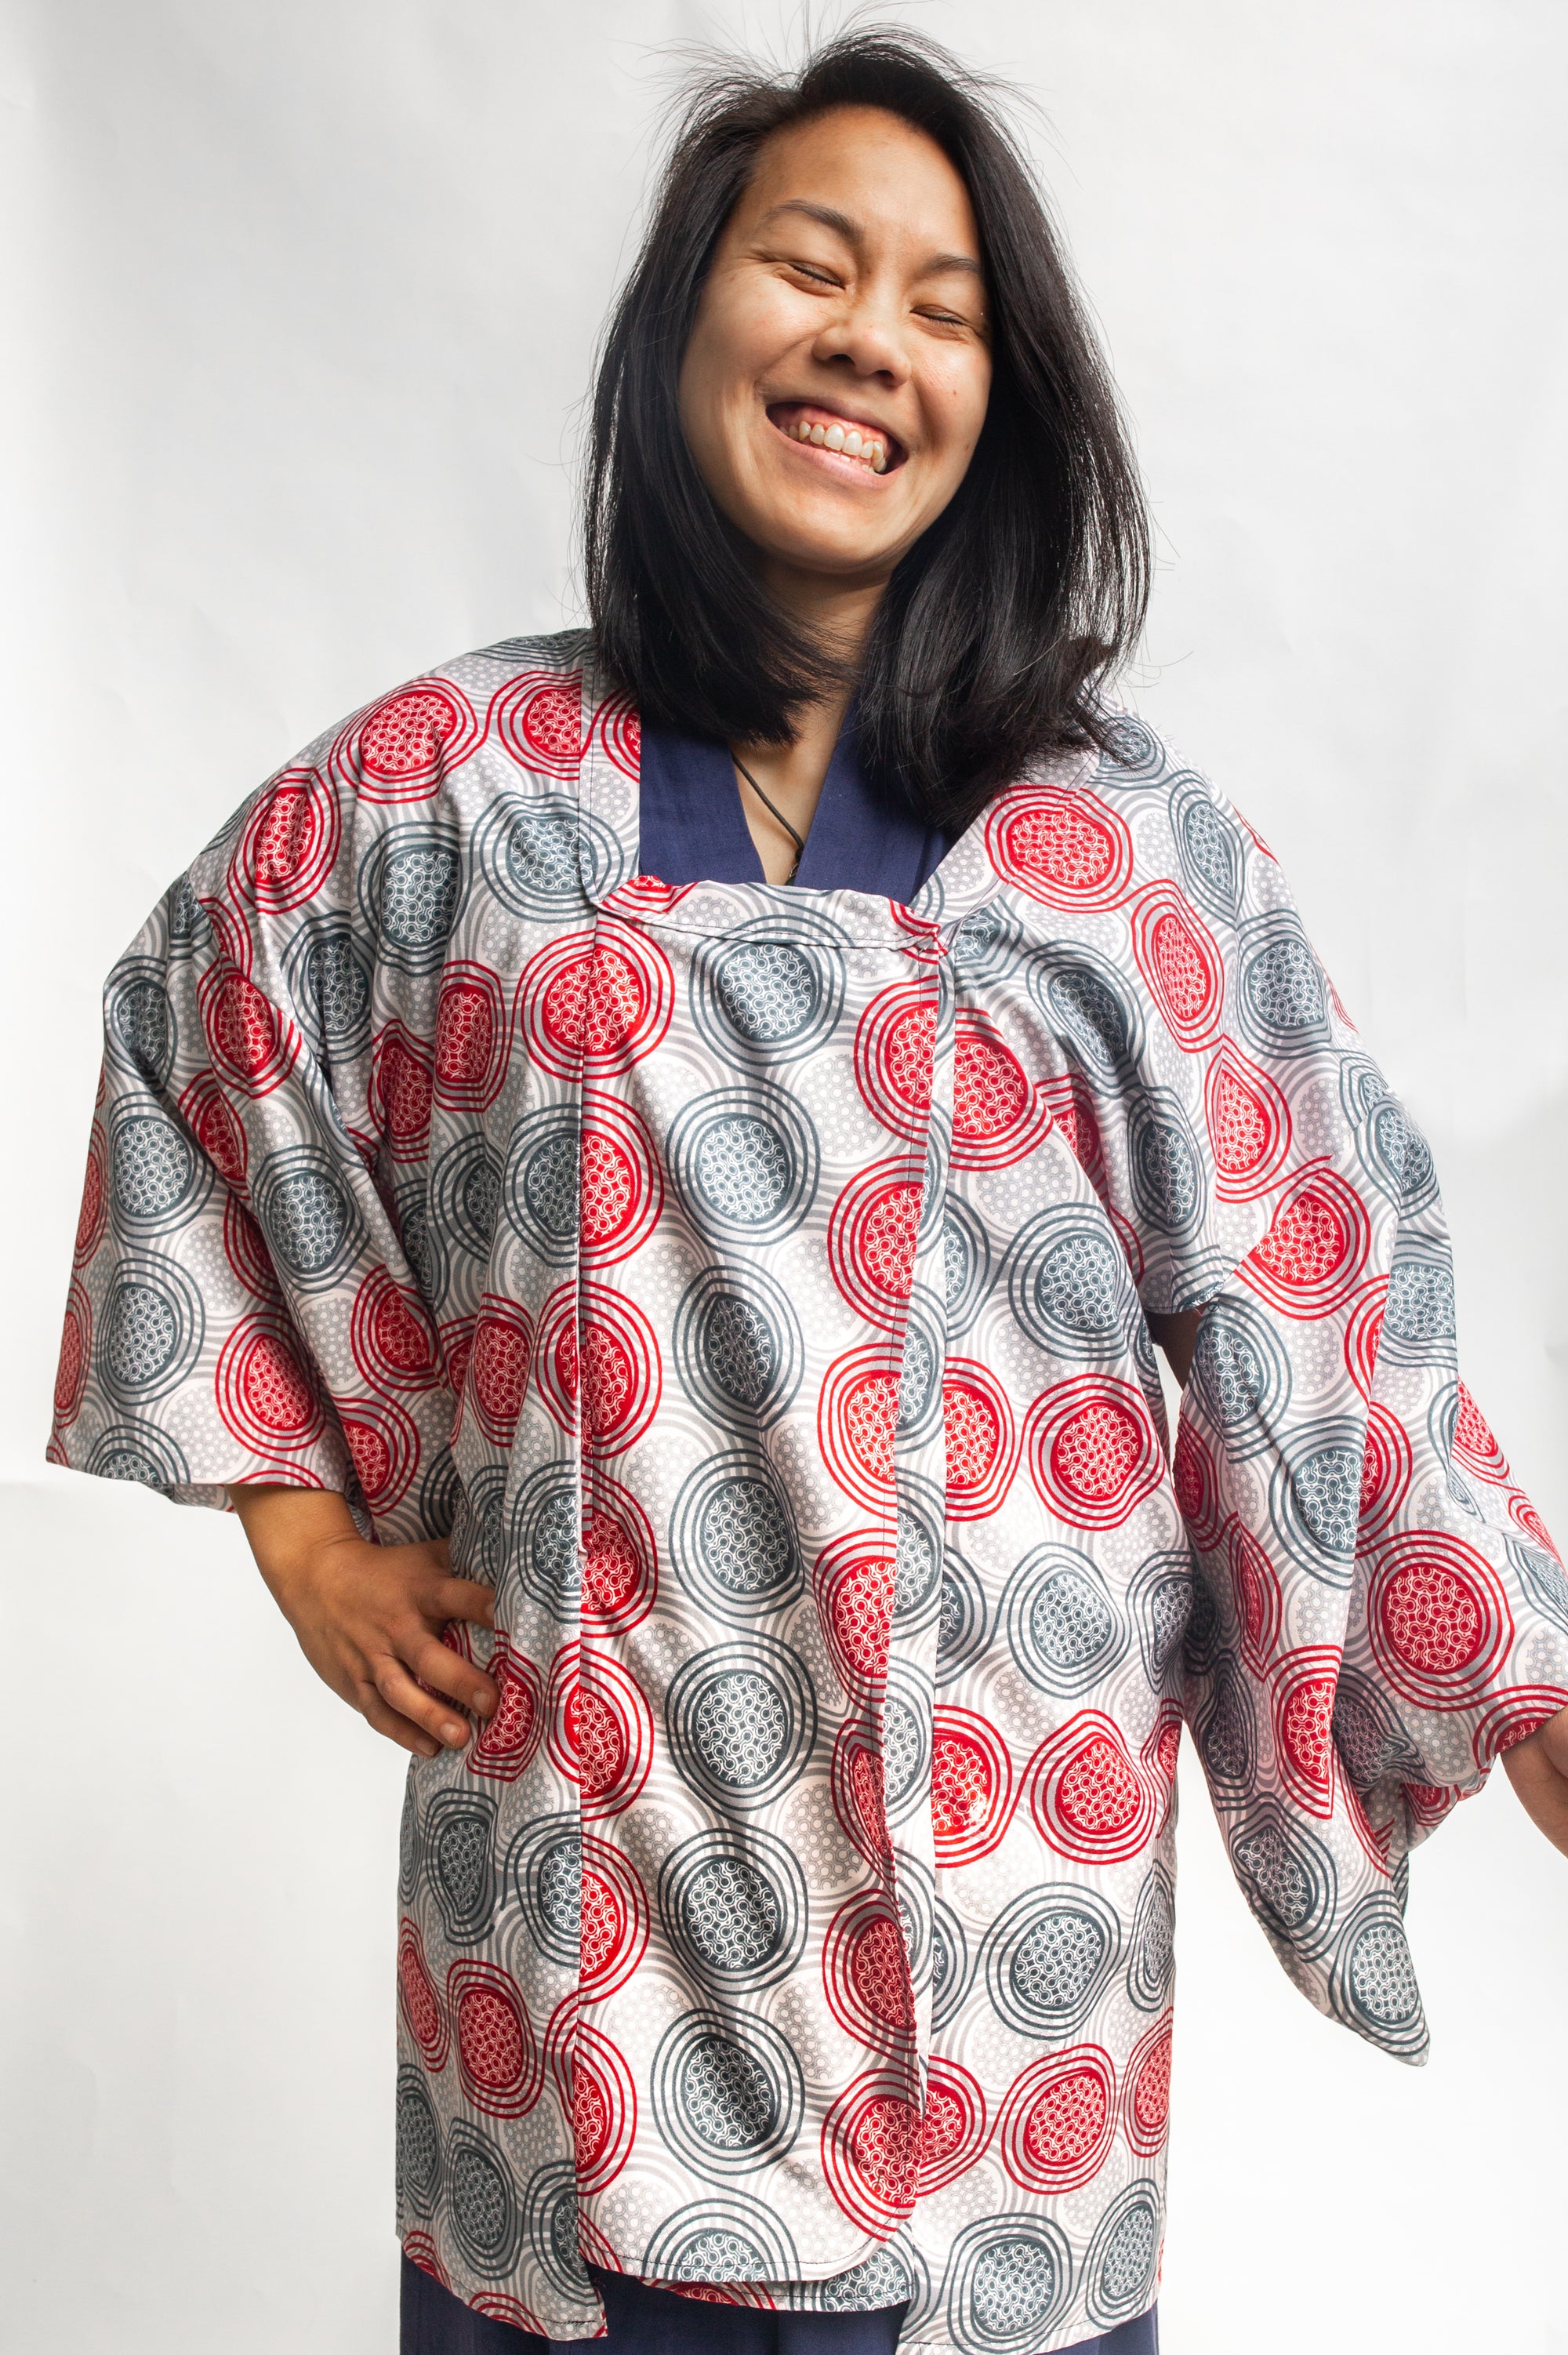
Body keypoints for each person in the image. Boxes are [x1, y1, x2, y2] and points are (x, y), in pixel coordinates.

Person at [49, 28, 1568, 2355]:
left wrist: (1529, 1677)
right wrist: (310, 1541)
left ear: (1005, 397)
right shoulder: (451, 797)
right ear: (689, 324)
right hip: (570, 1917)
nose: (871, 335)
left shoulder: (1126, 858)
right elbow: (194, 1026)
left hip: (1003, 1965)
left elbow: (1328, 1309)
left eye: (944, 306)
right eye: (812, 263)